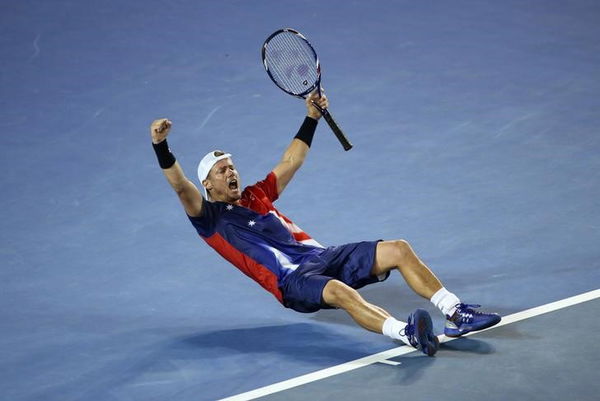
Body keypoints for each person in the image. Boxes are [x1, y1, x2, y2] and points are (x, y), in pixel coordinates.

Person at [149, 92, 501, 357]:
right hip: (292, 281)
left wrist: (312, 117)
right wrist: (161, 147)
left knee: (398, 249)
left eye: (232, 166)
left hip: (322, 256)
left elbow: (291, 159)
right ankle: (405, 333)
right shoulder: (209, 220)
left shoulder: (257, 196)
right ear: (207, 184)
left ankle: (456, 312)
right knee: (337, 291)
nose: (232, 171)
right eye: (222, 170)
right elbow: (181, 186)